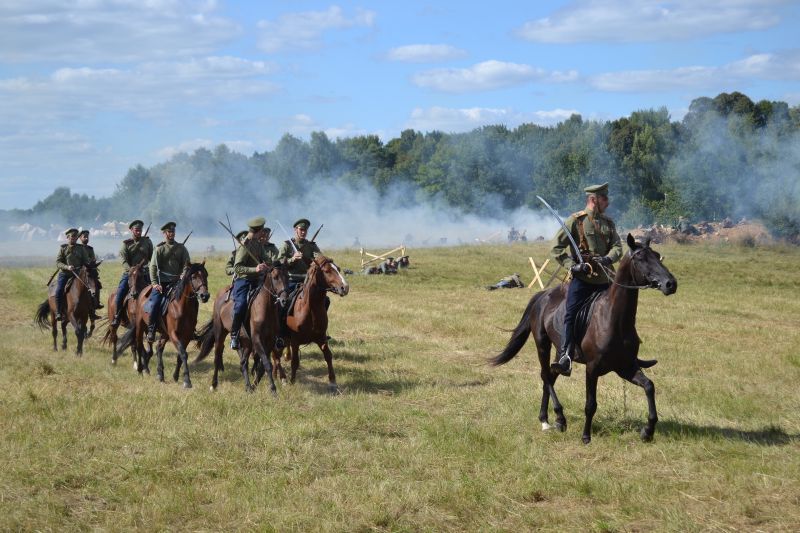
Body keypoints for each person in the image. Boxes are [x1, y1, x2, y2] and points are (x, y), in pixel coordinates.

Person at [550, 182, 622, 376]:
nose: (608, 201)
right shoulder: (576, 221)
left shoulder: (608, 223)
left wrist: (608, 258)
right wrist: (572, 266)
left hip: (605, 279)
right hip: (583, 281)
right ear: (593, 200)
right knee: (570, 314)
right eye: (604, 198)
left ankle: (627, 351)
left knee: (622, 310)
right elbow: (556, 248)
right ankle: (565, 356)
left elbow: (617, 247)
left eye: (606, 197)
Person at [229, 217, 271, 349]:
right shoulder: (244, 245)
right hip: (244, 281)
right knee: (241, 305)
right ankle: (234, 335)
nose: (263, 233)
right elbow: (237, 268)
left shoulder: (258, 244)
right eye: (262, 231)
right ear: (258, 231)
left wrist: (268, 263)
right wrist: (255, 269)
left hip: (258, 280)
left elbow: (267, 259)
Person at [146, 222, 190, 342]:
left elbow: (187, 264)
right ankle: (151, 329)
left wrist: (183, 274)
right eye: (169, 232)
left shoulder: (181, 248)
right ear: (164, 233)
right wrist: (155, 283)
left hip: (178, 282)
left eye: (173, 232)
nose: (171, 234)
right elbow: (153, 267)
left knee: (190, 300)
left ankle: (191, 328)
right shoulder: (159, 248)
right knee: (155, 303)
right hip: (162, 282)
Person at [111, 220, 153, 326]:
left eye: (140, 230)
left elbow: (152, 257)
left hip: (144, 272)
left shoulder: (147, 242)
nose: (138, 232)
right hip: (130, 273)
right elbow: (123, 260)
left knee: (156, 291)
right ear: (131, 230)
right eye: (136, 230)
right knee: (120, 292)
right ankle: (117, 315)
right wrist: (130, 269)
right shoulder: (126, 244)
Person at [54, 228, 91, 321]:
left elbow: (86, 260)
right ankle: (59, 312)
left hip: (78, 274)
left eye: (75, 237)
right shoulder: (63, 248)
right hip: (65, 274)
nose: (74, 239)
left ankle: (92, 310)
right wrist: (67, 267)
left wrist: (89, 264)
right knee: (59, 291)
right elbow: (58, 262)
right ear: (67, 237)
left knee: (91, 289)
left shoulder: (81, 248)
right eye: (72, 237)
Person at [278, 218, 323, 295]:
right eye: (301, 229)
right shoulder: (287, 245)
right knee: (284, 303)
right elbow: (279, 262)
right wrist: (292, 259)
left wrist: (314, 262)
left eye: (305, 230)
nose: (303, 232)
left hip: (308, 280)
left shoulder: (311, 246)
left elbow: (320, 258)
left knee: (325, 300)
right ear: (295, 229)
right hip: (291, 280)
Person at [78, 229, 103, 318]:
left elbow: (92, 259)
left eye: (87, 236)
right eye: (84, 236)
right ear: (80, 238)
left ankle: (95, 306)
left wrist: (94, 263)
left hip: (89, 270)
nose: (86, 238)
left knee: (97, 285)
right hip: (78, 271)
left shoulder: (90, 249)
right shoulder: (77, 248)